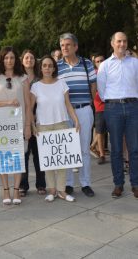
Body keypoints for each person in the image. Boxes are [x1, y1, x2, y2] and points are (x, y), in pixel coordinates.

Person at [0, 46, 32, 205]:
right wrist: (7, 103)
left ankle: (17, 189)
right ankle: (5, 189)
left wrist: (28, 126)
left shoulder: (23, 78)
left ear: (16, 59)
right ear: (1, 59)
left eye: (12, 57)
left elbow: (27, 104)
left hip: (19, 124)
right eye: (6, 58)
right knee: (3, 157)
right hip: (1, 125)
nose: (9, 61)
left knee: (18, 157)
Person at [31, 55, 80, 202]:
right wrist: (33, 125)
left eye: (50, 66)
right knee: (49, 161)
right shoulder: (35, 86)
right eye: (44, 65)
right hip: (43, 126)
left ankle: (62, 190)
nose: (47, 68)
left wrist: (76, 120)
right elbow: (30, 108)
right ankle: (51, 190)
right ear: (41, 68)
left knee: (62, 161)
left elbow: (68, 104)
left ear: (54, 68)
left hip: (61, 123)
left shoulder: (62, 84)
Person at [97, 32, 138, 199]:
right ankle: (118, 184)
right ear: (112, 43)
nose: (122, 44)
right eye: (119, 41)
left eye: (124, 41)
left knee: (134, 149)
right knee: (115, 150)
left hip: (133, 107)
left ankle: (135, 184)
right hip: (113, 108)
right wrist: (112, 103)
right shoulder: (105, 65)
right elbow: (101, 89)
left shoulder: (135, 63)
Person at [57, 33, 96, 197]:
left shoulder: (87, 64)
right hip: (65, 112)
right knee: (67, 149)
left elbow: (93, 86)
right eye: (62, 45)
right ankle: (68, 184)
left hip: (84, 110)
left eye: (68, 45)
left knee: (84, 149)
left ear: (75, 47)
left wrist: (89, 103)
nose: (64, 48)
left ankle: (85, 183)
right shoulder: (57, 66)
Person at [19, 49, 46, 197]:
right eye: (27, 58)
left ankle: (41, 184)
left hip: (39, 119)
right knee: (23, 154)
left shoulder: (40, 78)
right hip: (22, 120)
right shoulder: (18, 78)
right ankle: (23, 185)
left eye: (32, 57)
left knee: (39, 154)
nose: (29, 60)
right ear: (22, 60)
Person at [90, 54, 107, 165]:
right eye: (97, 61)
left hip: (112, 105)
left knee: (105, 131)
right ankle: (101, 155)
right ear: (94, 63)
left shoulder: (110, 72)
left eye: (101, 60)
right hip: (99, 106)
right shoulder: (93, 74)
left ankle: (92, 146)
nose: (100, 62)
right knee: (100, 131)